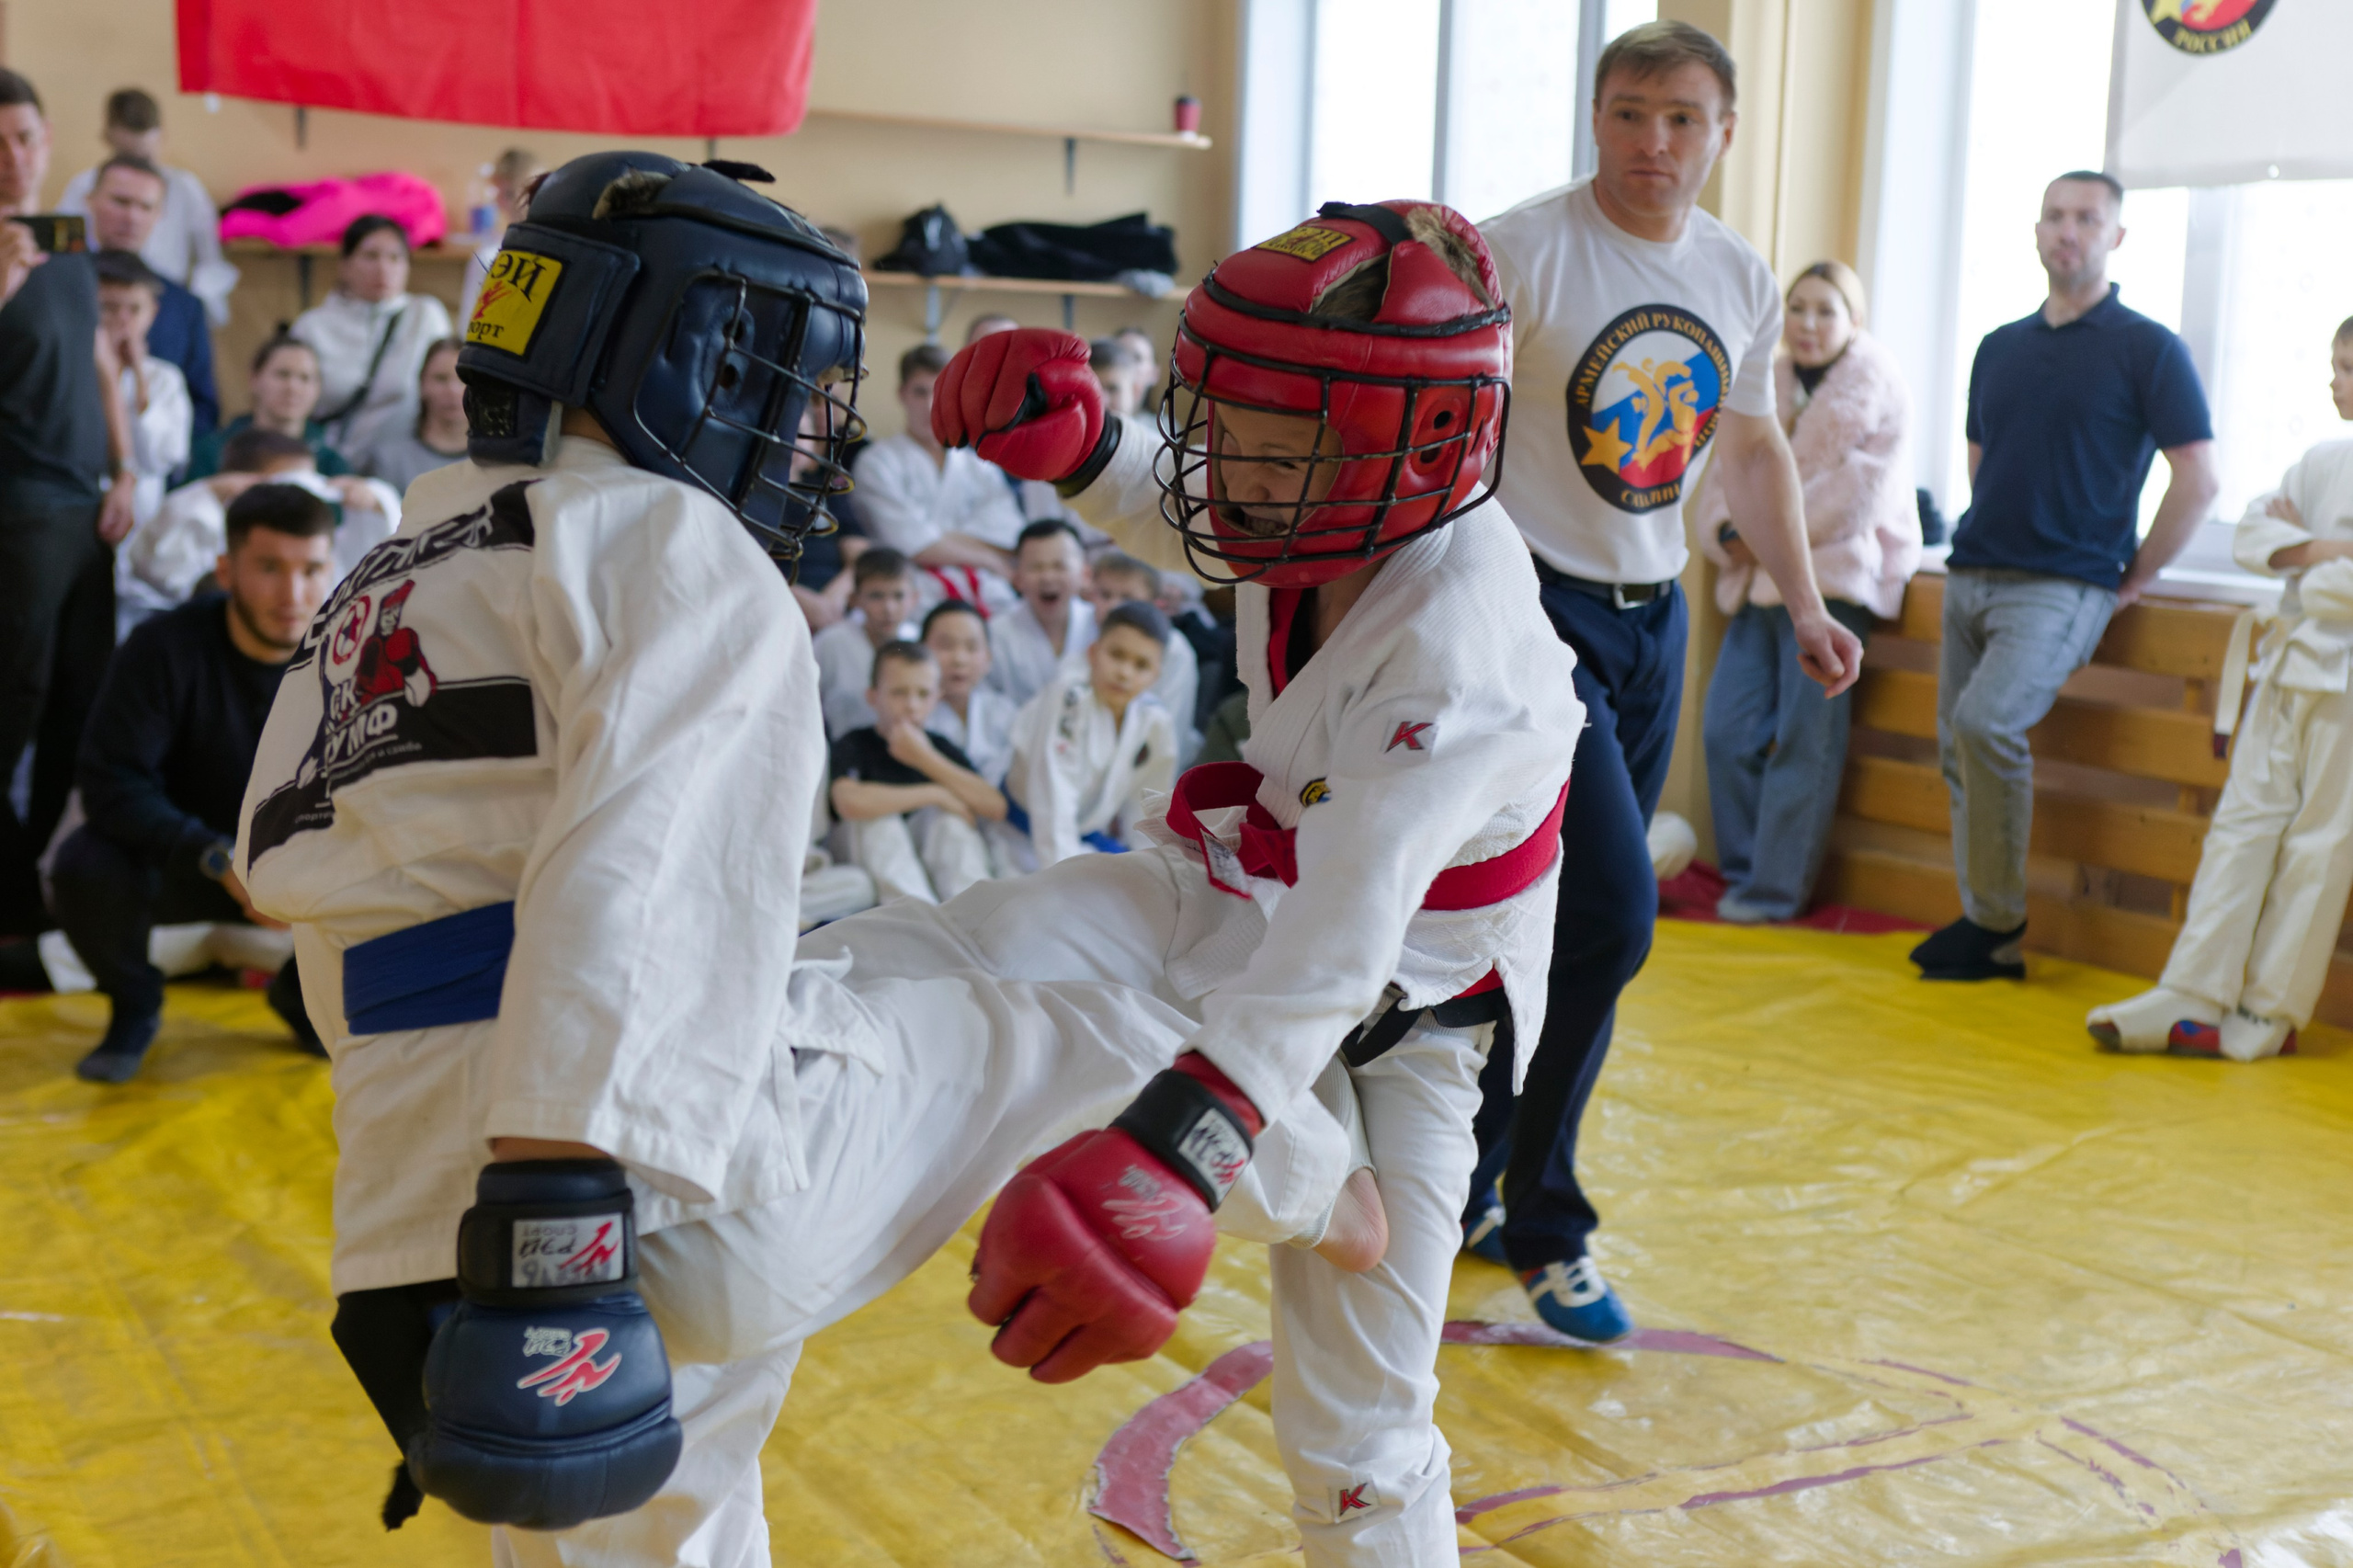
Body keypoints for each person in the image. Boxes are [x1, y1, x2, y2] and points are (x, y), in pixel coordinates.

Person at [233, 149, 1205, 1564]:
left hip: (428, 1199)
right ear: (691, 355)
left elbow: (292, 869)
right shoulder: (675, 541)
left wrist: (418, 1250)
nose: (810, 438)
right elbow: (639, 867)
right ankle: (1306, 1167)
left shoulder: (394, 565)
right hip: (653, 1176)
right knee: (1037, 961)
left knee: (644, 1538)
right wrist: (555, 1225)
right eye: (791, 388)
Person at [808, 199, 1582, 1565]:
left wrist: (1182, 1147)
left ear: (1413, 446)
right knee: (1000, 934)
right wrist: (1090, 449)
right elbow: (1207, 525)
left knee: (1360, 1432)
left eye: (1279, 446)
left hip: (1413, 1002)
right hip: (1246, 886)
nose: (1236, 468)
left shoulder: (1455, 648)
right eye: (1230, 426)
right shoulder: (1324, 500)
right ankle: (761, 1042)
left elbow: (1341, 945)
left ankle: (1322, 1187)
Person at [1466, 19, 1860, 1340]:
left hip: (1655, 620)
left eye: (1682, 118)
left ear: (1723, 133)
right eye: (1630, 112)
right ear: (1596, 117)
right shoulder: (1521, 251)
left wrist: (1804, 602)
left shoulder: (1737, 272)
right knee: (1616, 915)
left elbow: (1750, 450)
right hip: (1530, 616)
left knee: (1561, 925)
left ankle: (1467, 1179)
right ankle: (1546, 1222)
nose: (1654, 141)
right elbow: (1448, 435)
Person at [1914, 169, 2218, 982]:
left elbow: (2199, 479)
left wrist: (2135, 576)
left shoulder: (2149, 348)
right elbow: (1983, 459)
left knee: (1985, 725)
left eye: (2086, 218)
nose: (2067, 231)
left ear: (2116, 236)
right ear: (2037, 231)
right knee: (1958, 749)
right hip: (1972, 573)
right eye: (2053, 216)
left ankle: (1997, 923)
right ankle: (1985, 925)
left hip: (2066, 585)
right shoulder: (2000, 346)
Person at [2086, 320, 2353, 1062]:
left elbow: (2330, 591)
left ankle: (2271, 1010)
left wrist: (2302, 564)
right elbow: (2250, 536)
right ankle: (2194, 991)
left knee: (2320, 844)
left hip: (2345, 684)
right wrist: (2327, 550)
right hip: (2286, 666)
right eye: (2336, 364)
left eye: (2350, 368)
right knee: (2241, 824)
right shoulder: (2323, 461)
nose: (2335, 382)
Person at [58, 484, 337, 1081]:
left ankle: (305, 998)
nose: (293, 594)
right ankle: (134, 1005)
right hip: (192, 858)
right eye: (269, 568)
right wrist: (217, 857)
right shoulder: (164, 646)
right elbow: (110, 781)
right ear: (226, 570)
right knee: (84, 864)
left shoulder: (352, 657)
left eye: (311, 570)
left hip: (306, 860)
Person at [1694, 259, 1918, 922]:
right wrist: (1730, 529)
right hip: (1756, 584)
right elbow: (1725, 474)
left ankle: (1776, 891)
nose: (1808, 323)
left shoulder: (1879, 387)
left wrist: (1760, 530)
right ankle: (1744, 873)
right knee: (1725, 730)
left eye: (1826, 310)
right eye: (1797, 308)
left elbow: (1857, 496)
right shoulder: (1763, 379)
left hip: (1833, 584)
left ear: (1855, 321)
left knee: (1804, 740)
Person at [0, 68, 137, 939]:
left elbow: (98, 360)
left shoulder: (66, 240)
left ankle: (29, 881)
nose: (13, 158)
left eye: (25, 138)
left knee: (80, 702)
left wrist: (125, 470)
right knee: (15, 697)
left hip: (88, 505)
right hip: (20, 507)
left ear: (48, 143)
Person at [125, 427, 399, 619]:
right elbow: (155, 568)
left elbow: (379, 569)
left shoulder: (322, 552)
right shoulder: (207, 536)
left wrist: (376, 499)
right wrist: (208, 492)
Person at [1000, 601, 1178, 869]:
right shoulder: (1068, 700)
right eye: (1117, 655)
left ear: (1156, 675)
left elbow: (1150, 810)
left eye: (1141, 665)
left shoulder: (1154, 721)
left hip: (1087, 838)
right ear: (1093, 652)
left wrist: (1150, 868)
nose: (1125, 672)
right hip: (1024, 833)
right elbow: (1052, 804)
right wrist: (1067, 877)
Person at [829, 640, 1006, 903]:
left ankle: (975, 912)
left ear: (937, 698)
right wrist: (935, 794)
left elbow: (995, 806)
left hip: (927, 854)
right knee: (880, 823)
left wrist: (924, 758)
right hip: (865, 859)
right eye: (899, 693)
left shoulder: (939, 747)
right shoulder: (855, 743)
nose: (912, 705)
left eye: (923, 694)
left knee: (950, 825)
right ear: (873, 696)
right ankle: (916, 920)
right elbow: (847, 802)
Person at [850, 342, 1026, 608]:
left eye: (940, 392)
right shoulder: (877, 463)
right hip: (907, 597)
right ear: (902, 394)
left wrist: (929, 536)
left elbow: (1007, 539)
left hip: (987, 593)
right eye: (920, 392)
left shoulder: (979, 467)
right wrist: (988, 558)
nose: (930, 404)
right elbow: (906, 543)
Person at [58, 87, 237, 325]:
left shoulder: (186, 189)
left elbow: (210, 261)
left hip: (166, 303)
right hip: (99, 302)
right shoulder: (83, 186)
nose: (132, 217)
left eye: (144, 158)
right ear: (108, 137)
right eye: (125, 157)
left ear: (161, 137)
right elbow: (62, 253)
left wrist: (193, 310)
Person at [291, 215, 455, 458]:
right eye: (370, 256)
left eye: (395, 257)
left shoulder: (425, 316)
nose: (383, 268)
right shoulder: (313, 326)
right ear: (345, 264)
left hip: (403, 461)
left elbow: (447, 385)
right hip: (330, 460)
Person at [82, 153, 218, 437]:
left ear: (160, 215)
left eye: (145, 207)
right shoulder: (54, 286)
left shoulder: (184, 307)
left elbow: (202, 409)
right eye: (120, 202)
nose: (131, 217)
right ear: (91, 200)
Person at [96, 250, 193, 533]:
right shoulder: (69, 373)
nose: (123, 320)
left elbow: (164, 457)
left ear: (153, 312)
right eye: (109, 308)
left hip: (144, 511)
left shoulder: (165, 378)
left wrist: (139, 379)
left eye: (134, 309)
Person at [187, 334, 354, 482]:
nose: (293, 388)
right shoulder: (212, 452)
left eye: (305, 378)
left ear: (318, 388)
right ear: (254, 378)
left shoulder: (332, 465)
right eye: (282, 374)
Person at [1090, 549, 1200, 763]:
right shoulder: (1089, 628)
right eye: (1105, 595)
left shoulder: (1175, 651)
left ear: (1153, 602)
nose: (1113, 606)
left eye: (1127, 598)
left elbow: (1169, 731)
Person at [985, 518, 1095, 707]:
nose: (1047, 577)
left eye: (1059, 566)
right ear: (1017, 578)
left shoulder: (1101, 624)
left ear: (1084, 574)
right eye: (1036, 567)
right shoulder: (996, 633)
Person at [813, 547, 919, 737]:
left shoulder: (920, 642)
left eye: (898, 596)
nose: (889, 608)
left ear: (914, 598)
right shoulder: (831, 642)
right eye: (876, 596)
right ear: (854, 599)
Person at [923, 598, 1017, 786]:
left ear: (988, 657)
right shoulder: (913, 714)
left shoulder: (1005, 713)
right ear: (921, 652)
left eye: (972, 647)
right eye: (946, 645)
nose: (959, 659)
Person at [357, 337, 469, 494]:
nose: (452, 390)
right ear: (422, 383)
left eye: (464, 379)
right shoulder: (388, 461)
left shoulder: (498, 464)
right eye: (441, 379)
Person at [456, 147, 541, 325]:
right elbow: (469, 322)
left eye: (531, 193)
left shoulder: (560, 248)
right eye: (509, 194)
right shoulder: (489, 255)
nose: (521, 202)